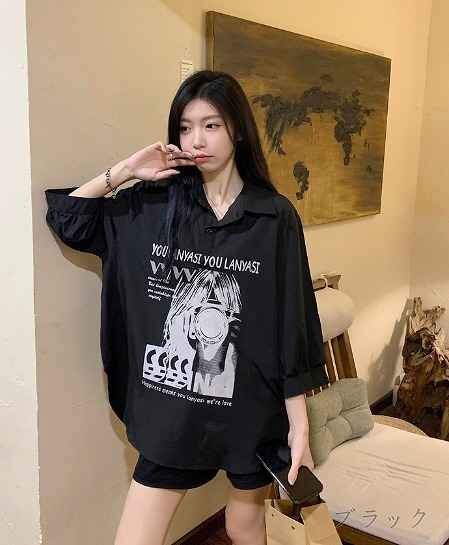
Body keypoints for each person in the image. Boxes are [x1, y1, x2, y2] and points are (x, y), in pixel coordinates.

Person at [44, 70, 329, 545]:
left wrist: (299, 426)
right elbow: (69, 219)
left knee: (243, 525)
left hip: (250, 410)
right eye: (185, 127)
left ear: (237, 129)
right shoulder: (153, 205)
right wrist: (126, 170)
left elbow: (292, 322)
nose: (197, 140)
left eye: (211, 125)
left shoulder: (273, 217)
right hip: (172, 411)